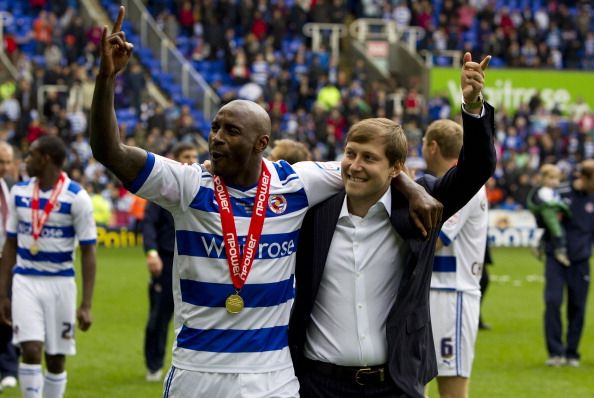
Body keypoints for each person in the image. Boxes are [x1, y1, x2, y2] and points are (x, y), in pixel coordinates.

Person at [90, 7, 438, 397]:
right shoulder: (188, 186)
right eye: (215, 127)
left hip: (271, 374)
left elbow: (364, 168)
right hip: (198, 370)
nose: (217, 137)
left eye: (231, 131)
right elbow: (111, 152)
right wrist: (106, 80)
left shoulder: (295, 183)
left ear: (260, 144)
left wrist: (413, 188)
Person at [289, 52, 495, 398]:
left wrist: (472, 105)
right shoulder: (314, 208)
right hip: (318, 385)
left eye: (369, 158)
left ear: (396, 167)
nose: (354, 165)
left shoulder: (420, 207)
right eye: (350, 153)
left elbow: (476, 168)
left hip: (393, 384)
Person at [0, 136, 97, 398]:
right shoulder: (19, 193)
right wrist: (3, 294)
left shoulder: (77, 197)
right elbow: (9, 245)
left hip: (61, 283)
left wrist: (86, 304)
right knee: (31, 350)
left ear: (46, 159)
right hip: (25, 281)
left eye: (30, 155)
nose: (25, 161)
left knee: (56, 358)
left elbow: (88, 250)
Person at [423, 119, 489, 398]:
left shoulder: (468, 185)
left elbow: (435, 241)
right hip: (429, 292)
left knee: (452, 391)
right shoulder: (437, 184)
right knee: (413, 384)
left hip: (453, 295)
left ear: (432, 147)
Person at [142, 142, 198, 382]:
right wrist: (152, 252)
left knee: (195, 317)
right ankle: (154, 364)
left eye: (194, 156)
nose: (191, 160)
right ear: (175, 159)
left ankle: (192, 365)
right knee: (159, 315)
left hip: (194, 261)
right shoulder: (163, 189)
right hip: (166, 260)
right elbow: (148, 224)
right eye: (186, 155)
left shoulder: (202, 186)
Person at [543, 159, 594, 368]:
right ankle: (556, 352)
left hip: (581, 261)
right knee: (553, 303)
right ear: (584, 177)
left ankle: (572, 352)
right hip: (556, 258)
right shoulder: (559, 194)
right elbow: (542, 217)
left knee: (578, 307)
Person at [0, 141, 18, 390]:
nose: (3, 167)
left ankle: (8, 366)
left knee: (9, 313)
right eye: (0, 161)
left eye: (6, 162)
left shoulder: (13, 187)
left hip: (8, 260)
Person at [528, 164, 571, 266]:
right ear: (543, 178)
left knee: (548, 232)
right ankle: (560, 250)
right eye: (551, 178)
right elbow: (550, 203)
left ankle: (539, 247)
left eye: (556, 178)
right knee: (558, 232)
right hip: (550, 216)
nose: (555, 181)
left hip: (551, 215)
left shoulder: (552, 191)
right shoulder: (544, 191)